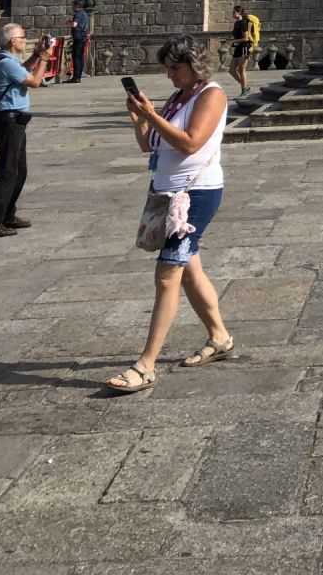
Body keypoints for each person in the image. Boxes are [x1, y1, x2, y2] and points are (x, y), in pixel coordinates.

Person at [106, 37, 233, 393]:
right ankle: (219, 337)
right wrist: (140, 120)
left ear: (193, 64)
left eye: (173, 67)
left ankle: (145, 365)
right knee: (189, 269)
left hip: (194, 195)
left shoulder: (211, 94)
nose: (169, 74)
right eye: (166, 68)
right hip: (166, 193)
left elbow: (191, 142)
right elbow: (151, 145)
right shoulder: (179, 97)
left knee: (167, 275)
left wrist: (152, 117)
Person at [0, 24, 50, 237]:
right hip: (8, 120)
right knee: (8, 171)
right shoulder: (6, 63)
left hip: (15, 120)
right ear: (12, 41)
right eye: (22, 37)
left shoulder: (9, 62)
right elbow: (35, 81)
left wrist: (35, 55)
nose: (25, 40)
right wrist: (44, 58)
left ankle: (8, 214)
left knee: (19, 170)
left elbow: (23, 71)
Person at [226, 4, 256, 98]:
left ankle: (244, 91)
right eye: (233, 11)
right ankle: (245, 86)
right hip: (238, 48)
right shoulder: (236, 23)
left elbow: (246, 38)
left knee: (241, 70)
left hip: (244, 47)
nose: (232, 13)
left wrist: (233, 41)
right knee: (231, 70)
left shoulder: (243, 23)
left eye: (234, 12)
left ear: (239, 13)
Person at [67, 0, 90, 83]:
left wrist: (69, 23)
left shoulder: (78, 14)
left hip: (78, 36)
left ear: (77, 6)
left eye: (73, 5)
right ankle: (78, 76)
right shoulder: (85, 14)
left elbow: (74, 24)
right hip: (83, 37)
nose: (72, 7)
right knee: (80, 57)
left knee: (76, 57)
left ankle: (76, 77)